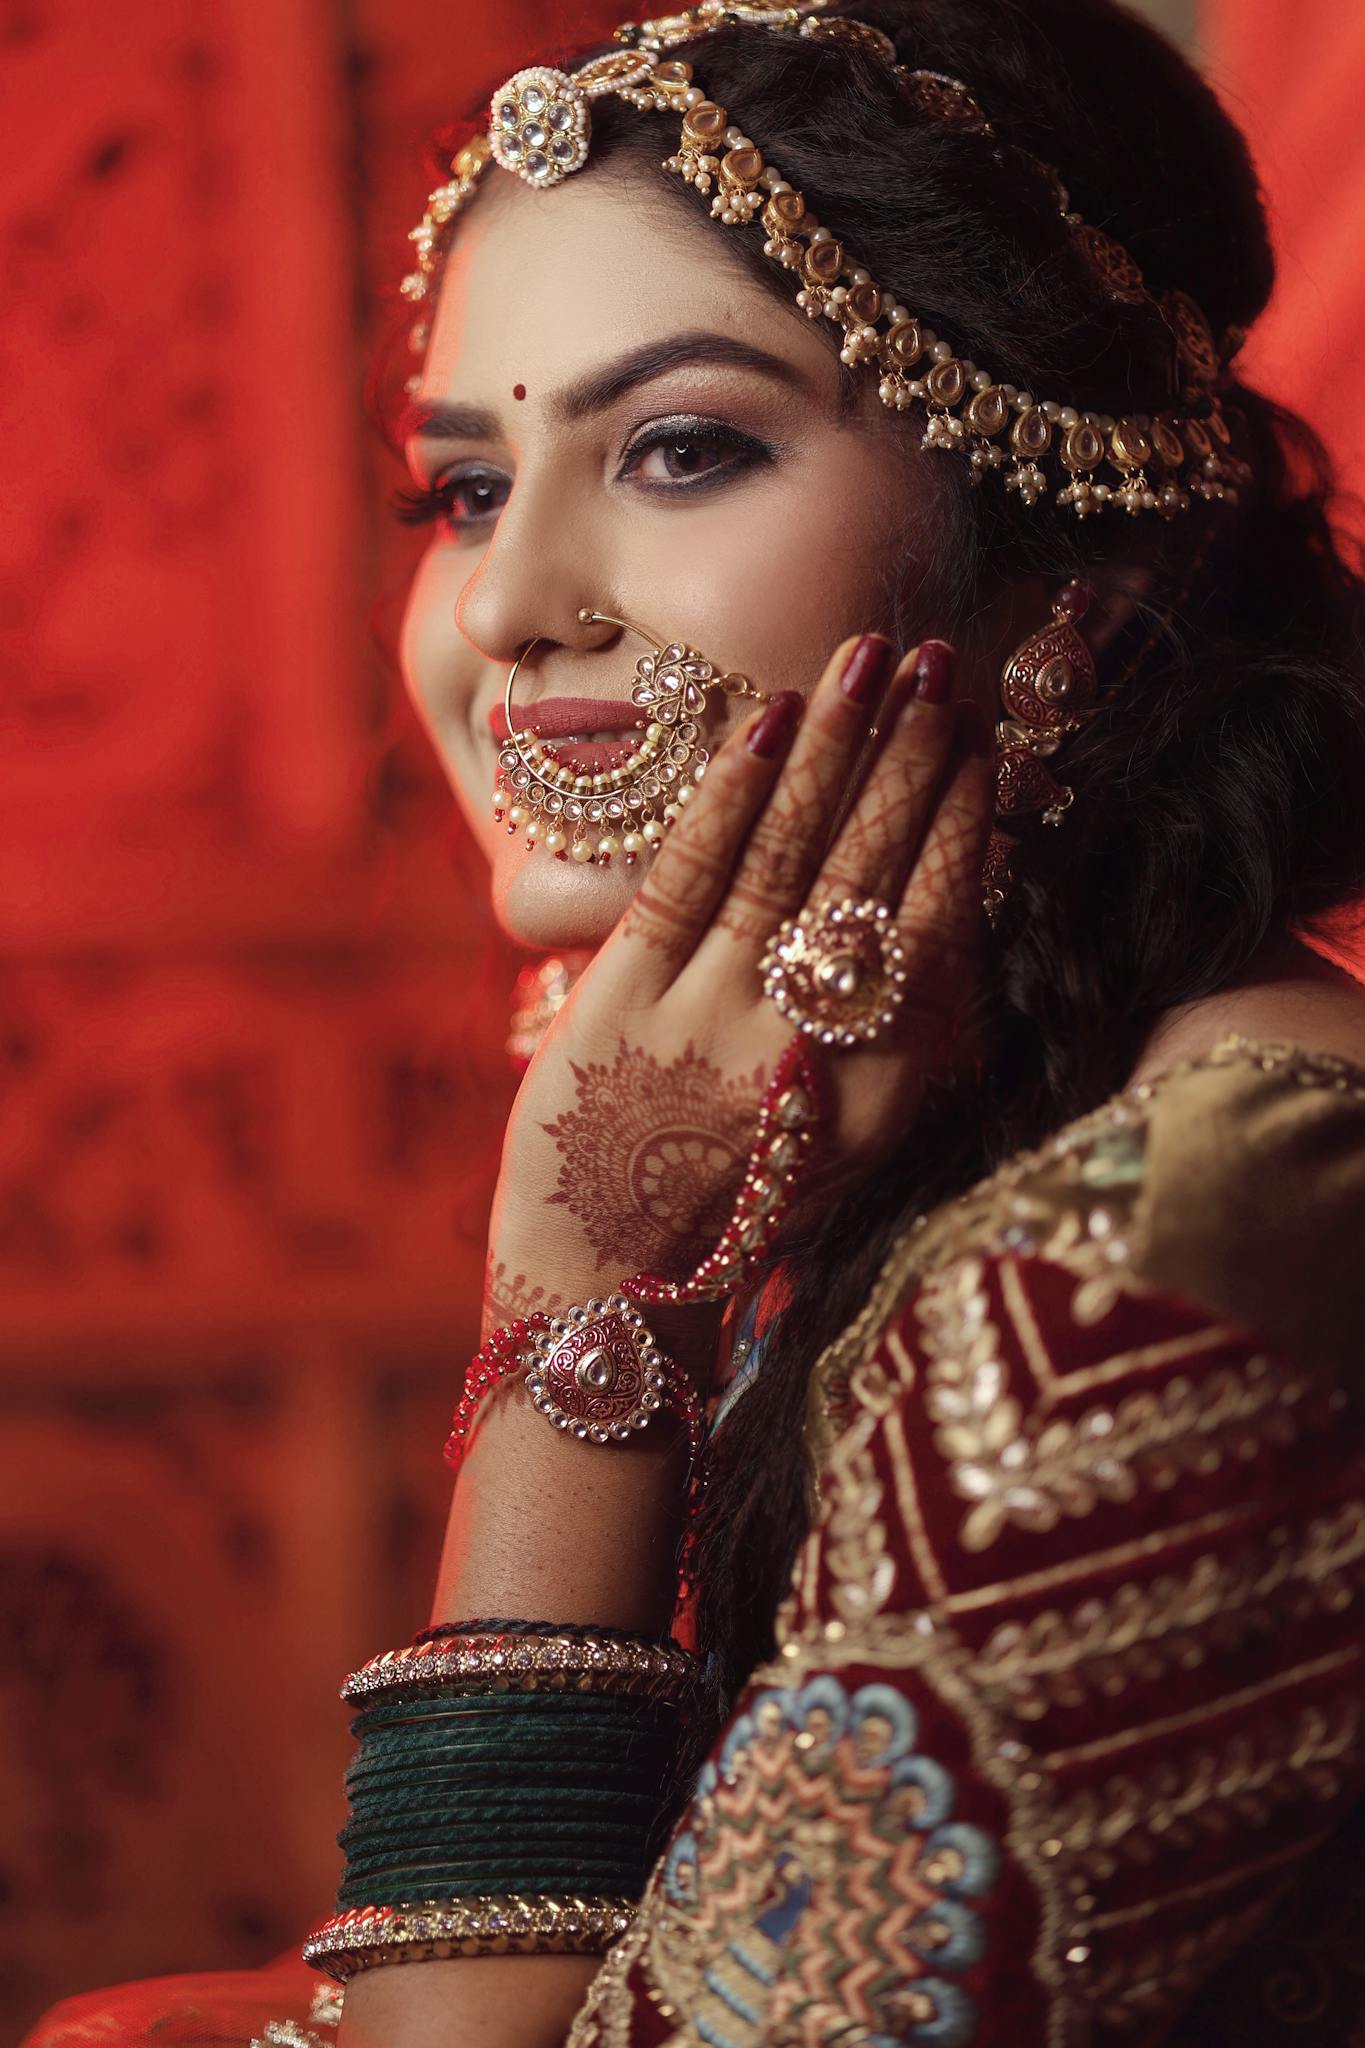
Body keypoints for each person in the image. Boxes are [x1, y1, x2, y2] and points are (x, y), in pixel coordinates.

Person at [25, 1, 1365, 2044]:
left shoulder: (1194, 1216)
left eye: (678, 448)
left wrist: (582, 1322)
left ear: (1062, 569)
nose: (501, 607)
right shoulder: (926, 1130)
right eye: (464, 491)